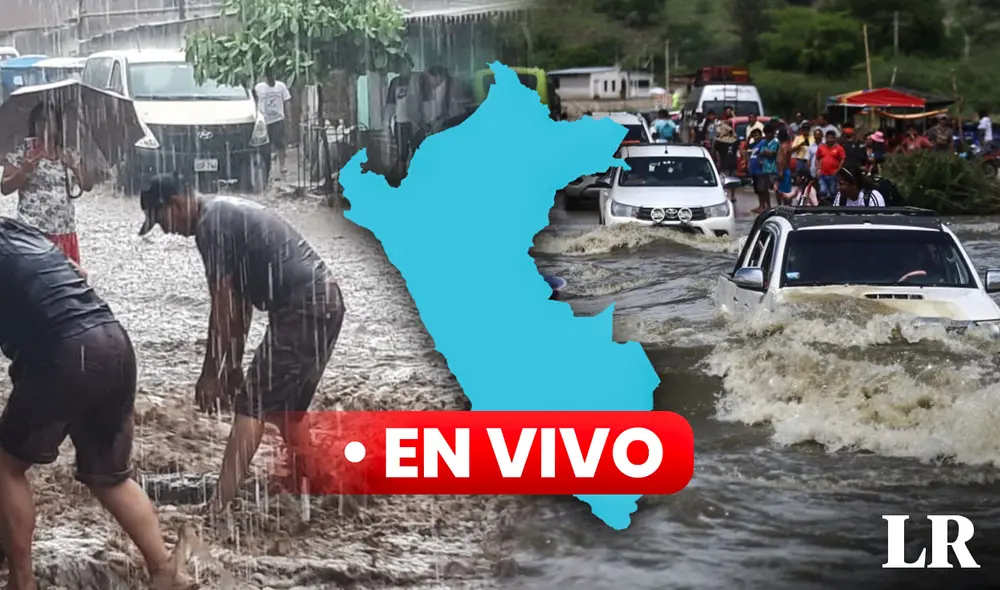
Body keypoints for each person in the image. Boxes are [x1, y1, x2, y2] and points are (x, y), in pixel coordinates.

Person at [0, 217, 195, 590]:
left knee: (5, 465)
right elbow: (79, 273)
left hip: (65, 353)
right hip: (112, 342)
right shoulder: (19, 230)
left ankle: (21, 582)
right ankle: (166, 571)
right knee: (109, 476)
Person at [136, 173, 346, 515]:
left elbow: (222, 306)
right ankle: (315, 486)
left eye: (161, 222)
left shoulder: (210, 226)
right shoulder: (222, 213)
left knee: (252, 407)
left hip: (303, 309)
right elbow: (240, 306)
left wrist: (210, 374)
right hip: (326, 303)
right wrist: (231, 365)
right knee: (286, 412)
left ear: (174, 204)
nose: (166, 230)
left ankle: (219, 507)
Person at [1, 103, 93, 265]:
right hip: (32, 231)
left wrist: (74, 165)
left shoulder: (70, 153)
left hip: (64, 230)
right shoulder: (22, 153)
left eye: (50, 121)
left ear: (58, 126)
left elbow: (87, 185)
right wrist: (25, 170)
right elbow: (5, 188)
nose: (45, 126)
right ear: (33, 125)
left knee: (66, 284)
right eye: (40, 121)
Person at [385, 60, 426, 174]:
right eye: (401, 65)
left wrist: (427, 118)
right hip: (401, 121)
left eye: (406, 64)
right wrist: (387, 121)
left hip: (417, 121)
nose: (403, 67)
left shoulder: (419, 80)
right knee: (402, 152)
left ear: (410, 65)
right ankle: (402, 173)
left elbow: (426, 100)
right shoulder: (395, 82)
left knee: (417, 149)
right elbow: (391, 103)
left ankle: (418, 173)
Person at [252, 71, 293, 181]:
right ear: (264, 77)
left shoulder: (281, 86)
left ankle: (282, 166)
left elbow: (287, 101)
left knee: (280, 144)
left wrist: (288, 117)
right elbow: (254, 101)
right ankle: (267, 169)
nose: (271, 78)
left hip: (278, 119)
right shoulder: (259, 88)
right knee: (265, 146)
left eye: (272, 75)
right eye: (268, 76)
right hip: (264, 121)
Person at [752, 123, 780, 213]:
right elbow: (761, 152)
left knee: (776, 189)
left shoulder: (775, 142)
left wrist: (766, 152)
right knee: (764, 189)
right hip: (764, 169)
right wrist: (765, 153)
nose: (768, 135)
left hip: (773, 169)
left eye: (769, 133)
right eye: (766, 133)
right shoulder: (765, 142)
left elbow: (773, 153)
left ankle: (780, 205)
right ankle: (768, 206)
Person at [714, 116, 739, 203]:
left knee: (725, 179)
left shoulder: (719, 141)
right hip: (733, 161)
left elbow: (716, 152)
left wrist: (718, 162)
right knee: (733, 179)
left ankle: (726, 195)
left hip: (724, 162)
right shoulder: (735, 140)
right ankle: (732, 196)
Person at [815, 130, 846, 201]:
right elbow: (817, 158)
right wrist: (817, 169)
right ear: (825, 138)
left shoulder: (839, 148)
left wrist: (838, 170)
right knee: (822, 191)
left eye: (831, 138)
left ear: (834, 138)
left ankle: (833, 207)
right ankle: (823, 206)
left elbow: (842, 159)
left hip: (833, 174)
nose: (830, 140)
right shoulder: (821, 147)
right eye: (828, 138)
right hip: (822, 174)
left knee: (833, 192)